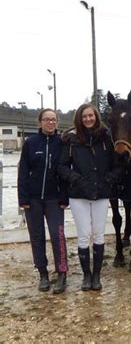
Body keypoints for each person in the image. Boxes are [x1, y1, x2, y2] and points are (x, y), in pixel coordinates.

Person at [58, 103, 122, 291]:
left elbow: (117, 165)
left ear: (96, 117)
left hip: (101, 193)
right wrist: (76, 179)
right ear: (80, 118)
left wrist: (109, 180)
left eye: (91, 116)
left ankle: (97, 275)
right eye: (84, 116)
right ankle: (86, 275)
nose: (88, 119)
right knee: (84, 235)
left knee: (99, 234)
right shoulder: (71, 140)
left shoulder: (107, 138)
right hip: (79, 195)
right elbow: (62, 166)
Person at [18, 109, 68, 294]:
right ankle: (43, 274)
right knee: (37, 236)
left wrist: (64, 197)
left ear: (57, 122)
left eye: (53, 119)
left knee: (58, 235)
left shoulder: (62, 143)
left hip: (54, 199)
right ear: (39, 122)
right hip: (33, 199)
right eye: (46, 119)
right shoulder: (30, 143)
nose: (50, 122)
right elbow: (23, 171)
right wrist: (23, 199)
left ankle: (62, 273)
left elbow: (64, 172)